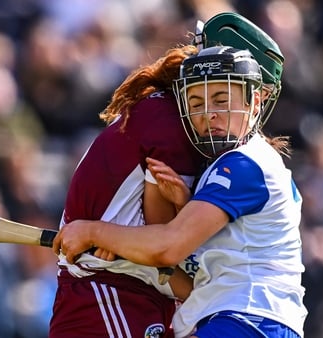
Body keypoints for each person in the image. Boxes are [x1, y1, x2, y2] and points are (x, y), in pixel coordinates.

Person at [54, 46, 308, 338]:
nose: (209, 115)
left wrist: (92, 232)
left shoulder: (243, 164)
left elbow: (168, 247)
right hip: (244, 319)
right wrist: (182, 207)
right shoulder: (231, 163)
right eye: (196, 104)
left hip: (248, 319)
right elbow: (203, 258)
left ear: (254, 102)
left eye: (222, 100)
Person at [49, 44, 204, 338]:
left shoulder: (159, 109)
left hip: (123, 291)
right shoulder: (171, 124)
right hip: (109, 293)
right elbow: (165, 249)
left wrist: (114, 238)